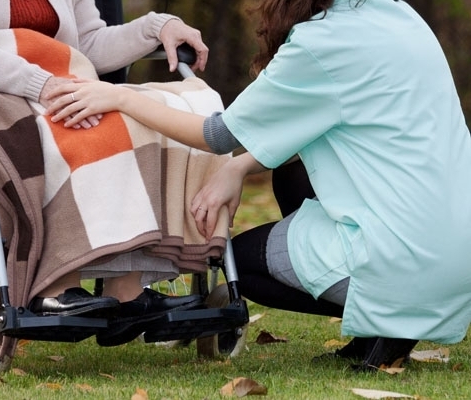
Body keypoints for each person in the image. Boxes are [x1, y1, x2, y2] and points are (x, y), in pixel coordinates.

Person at [47, 0, 471, 369]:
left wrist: (122, 97)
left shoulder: (321, 42)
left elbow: (217, 134)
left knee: (241, 266)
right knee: (290, 174)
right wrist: (238, 168)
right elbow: (311, 124)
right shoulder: (401, 15)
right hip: (458, 252)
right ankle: (376, 332)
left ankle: (389, 322)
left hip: (403, 258)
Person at [0, 0, 228, 350]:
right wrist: (39, 83)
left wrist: (158, 27)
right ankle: (55, 283)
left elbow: (89, 43)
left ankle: (126, 289)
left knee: (142, 116)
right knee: (82, 125)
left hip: (61, 80)